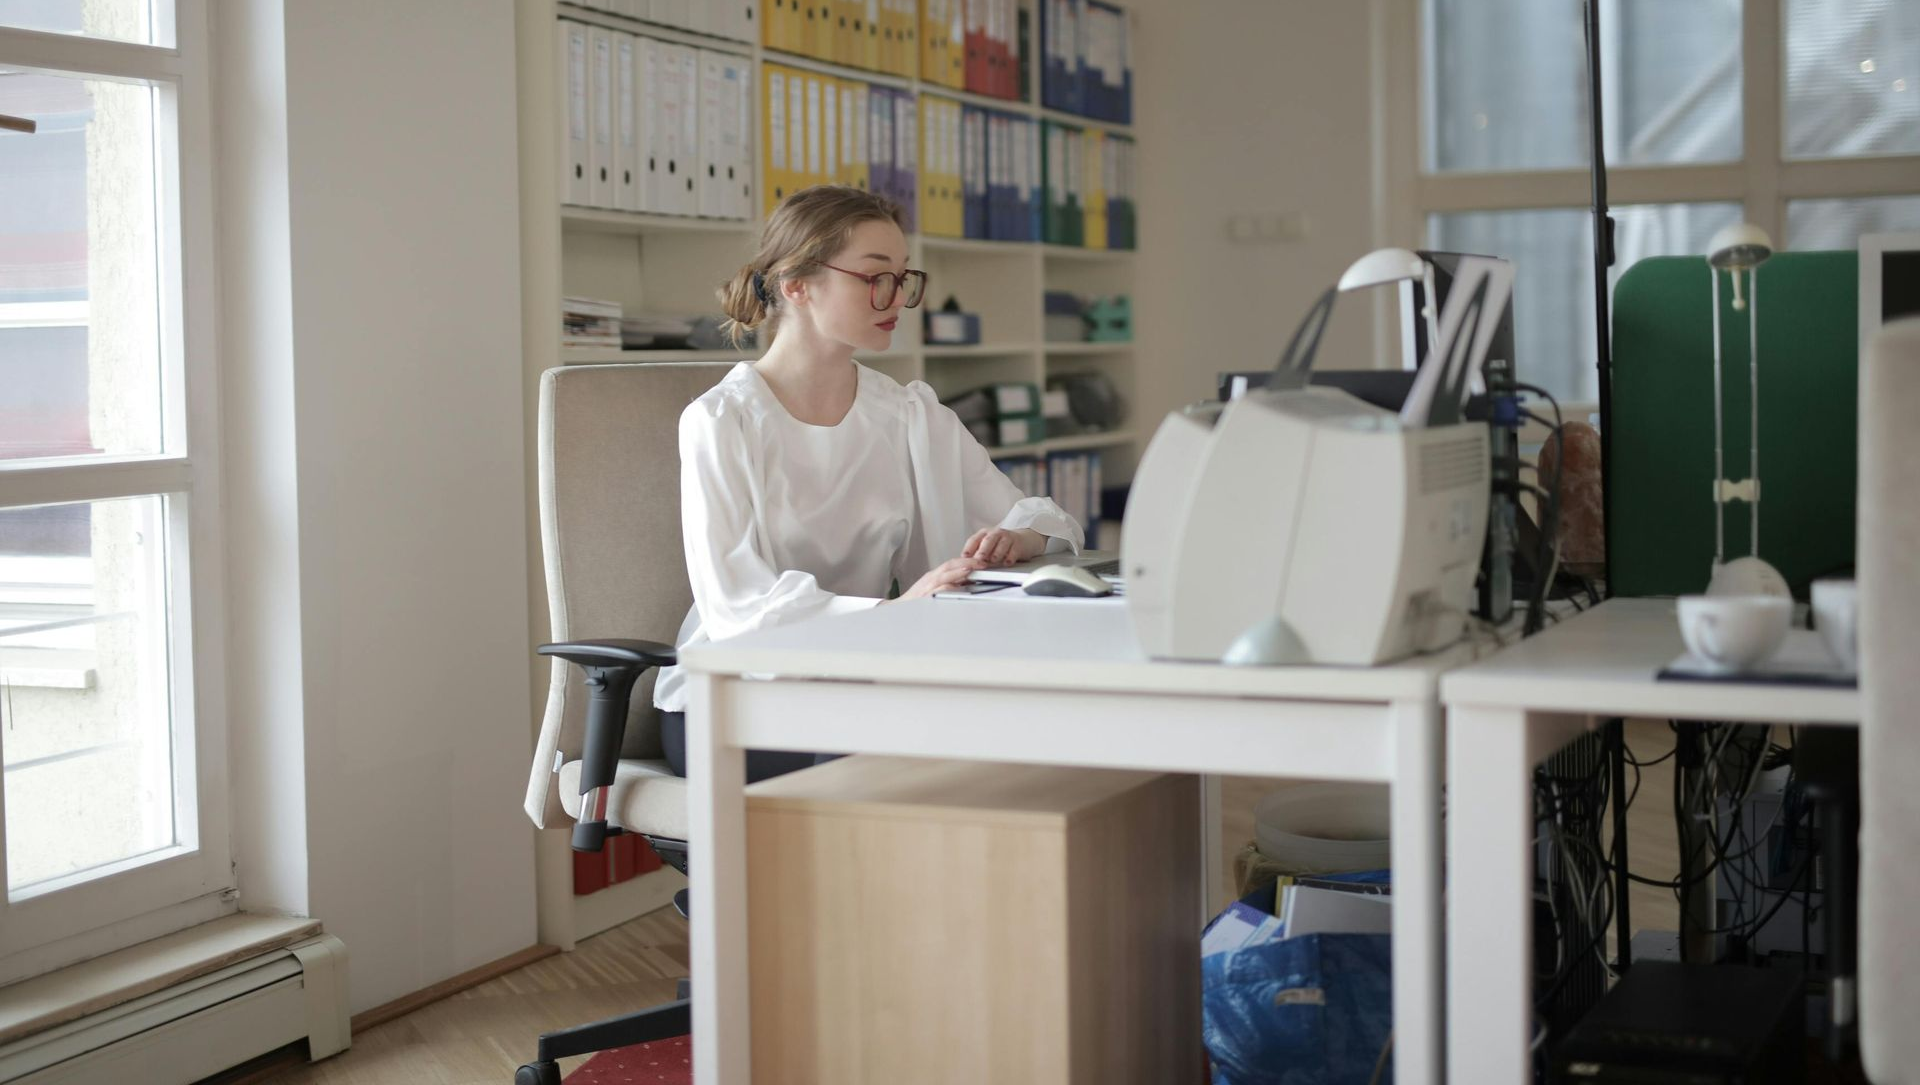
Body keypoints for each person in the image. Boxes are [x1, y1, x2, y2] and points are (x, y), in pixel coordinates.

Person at [651, 185, 1084, 781]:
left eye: (904, 278)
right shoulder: (723, 421)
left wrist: (1021, 540)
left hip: (868, 677)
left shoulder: (910, 413)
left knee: (1013, 728)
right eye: (874, 277)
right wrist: (894, 611)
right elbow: (737, 609)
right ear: (796, 284)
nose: (897, 298)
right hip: (737, 699)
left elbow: (1047, 520)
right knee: (916, 755)